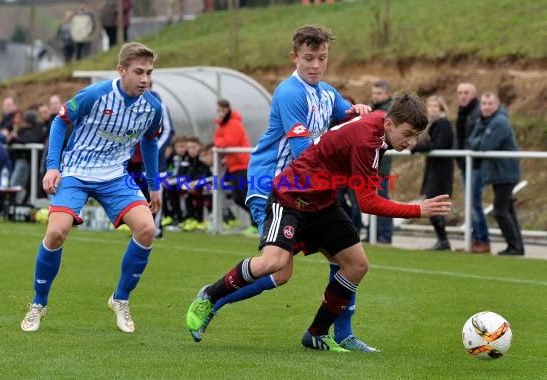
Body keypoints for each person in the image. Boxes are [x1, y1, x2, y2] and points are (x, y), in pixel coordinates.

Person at [186, 93, 452, 352]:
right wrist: (418, 209)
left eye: (415, 136)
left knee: (356, 265)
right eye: (407, 134)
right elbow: (368, 202)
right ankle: (210, 296)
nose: (411, 142)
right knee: (275, 266)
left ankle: (317, 334)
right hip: (291, 197)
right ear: (390, 123)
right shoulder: (367, 141)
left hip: (322, 202)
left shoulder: (381, 124)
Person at [191, 25, 375, 352]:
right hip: (272, 187)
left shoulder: (327, 92)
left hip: (308, 193)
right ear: (294, 57)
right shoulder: (290, 92)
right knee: (278, 269)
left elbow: (345, 117)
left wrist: (357, 113)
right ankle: (212, 298)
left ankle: (339, 333)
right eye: (308, 58)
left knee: (349, 259)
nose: (315, 65)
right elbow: (303, 151)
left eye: (321, 58)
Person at [20, 42, 163, 333]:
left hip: (115, 176)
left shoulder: (153, 107)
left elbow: (150, 142)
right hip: (75, 171)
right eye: (139, 72)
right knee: (56, 232)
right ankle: (38, 303)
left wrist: (154, 185)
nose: (145, 79)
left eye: (149, 72)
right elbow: (60, 122)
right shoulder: (95, 95)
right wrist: (52, 165)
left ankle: (120, 299)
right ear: (121, 70)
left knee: (147, 229)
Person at [469, 92, 524, 256]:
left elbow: (485, 145)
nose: (486, 107)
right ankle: (517, 246)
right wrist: (480, 136)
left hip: (505, 173)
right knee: (507, 209)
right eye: (484, 104)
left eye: (490, 103)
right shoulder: (484, 121)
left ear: (497, 104)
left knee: (500, 211)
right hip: (499, 173)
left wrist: (480, 139)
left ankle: (514, 246)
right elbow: (472, 143)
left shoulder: (499, 122)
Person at [411, 95, 454, 250]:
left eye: (436, 106)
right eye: (430, 106)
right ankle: (442, 240)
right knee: (433, 203)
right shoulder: (431, 125)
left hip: (442, 171)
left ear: (441, 108)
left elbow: (437, 145)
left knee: (434, 204)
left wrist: (415, 147)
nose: (432, 109)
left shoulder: (444, 124)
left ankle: (443, 240)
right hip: (433, 168)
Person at [213, 99, 257, 234]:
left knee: (245, 197)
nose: (220, 114)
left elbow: (226, 142)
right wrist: (219, 140)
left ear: (228, 110)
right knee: (237, 198)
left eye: (222, 110)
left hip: (243, 165)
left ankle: (257, 224)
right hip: (234, 166)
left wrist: (220, 140)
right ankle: (257, 222)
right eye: (218, 111)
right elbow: (217, 140)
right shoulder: (223, 126)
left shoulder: (234, 124)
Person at [455, 82, 490, 253]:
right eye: (460, 92)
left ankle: (482, 240)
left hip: (475, 165)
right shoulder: (462, 111)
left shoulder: (477, 112)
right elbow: (460, 138)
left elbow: (474, 140)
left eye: (466, 92)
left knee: (474, 203)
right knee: (470, 203)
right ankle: (475, 239)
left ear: (474, 94)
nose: (462, 95)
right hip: (465, 164)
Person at [367, 80, 394, 244]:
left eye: (378, 93)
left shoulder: (389, 111)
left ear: (387, 94)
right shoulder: (374, 109)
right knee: (371, 198)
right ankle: (374, 233)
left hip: (382, 165)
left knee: (382, 197)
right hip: (372, 164)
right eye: (373, 93)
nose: (375, 96)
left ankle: (385, 234)